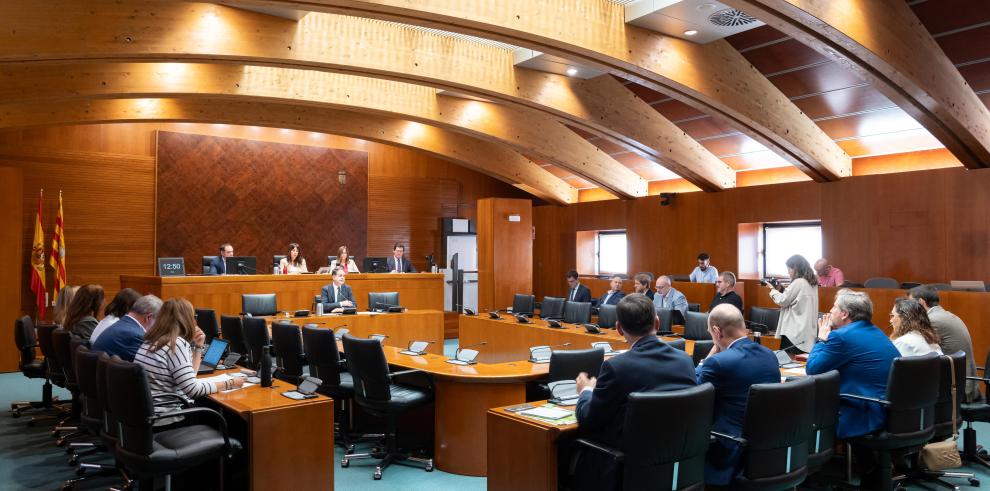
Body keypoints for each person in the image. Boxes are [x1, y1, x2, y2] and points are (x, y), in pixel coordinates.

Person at [574, 294, 696, 490]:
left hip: (625, 468)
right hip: (676, 467)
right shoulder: (685, 360)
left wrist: (586, 391)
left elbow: (588, 421)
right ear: (657, 322)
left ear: (619, 329)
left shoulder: (616, 367)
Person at [696, 304, 780, 486]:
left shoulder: (718, 363)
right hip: (768, 447)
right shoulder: (770, 355)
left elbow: (695, 397)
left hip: (728, 448)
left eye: (711, 333)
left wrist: (706, 360)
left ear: (717, 332)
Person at [806, 289, 900, 439]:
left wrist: (821, 339)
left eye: (834, 306)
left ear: (845, 314)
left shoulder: (841, 336)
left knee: (802, 404)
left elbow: (812, 369)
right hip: (888, 410)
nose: (830, 310)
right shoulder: (876, 331)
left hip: (862, 413)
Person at [134, 298, 244, 425]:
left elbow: (190, 377)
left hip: (150, 416)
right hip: (169, 417)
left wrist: (198, 347)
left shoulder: (151, 340)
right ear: (186, 319)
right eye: (193, 316)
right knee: (230, 418)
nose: (195, 320)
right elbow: (193, 390)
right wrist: (230, 383)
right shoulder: (175, 344)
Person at [909, 285, 980, 401]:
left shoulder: (932, 320)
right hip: (967, 386)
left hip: (957, 391)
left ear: (921, 302)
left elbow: (914, 348)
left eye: (910, 304)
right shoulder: (946, 315)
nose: (908, 309)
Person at [768, 255, 819, 352]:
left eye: (789, 269)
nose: (788, 272)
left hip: (794, 332)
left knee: (789, 364)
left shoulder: (799, 282)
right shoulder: (812, 283)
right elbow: (795, 298)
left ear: (795, 268)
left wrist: (772, 290)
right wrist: (782, 289)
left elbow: (783, 301)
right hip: (806, 332)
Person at [92, 295, 163, 362]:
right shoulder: (136, 335)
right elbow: (147, 365)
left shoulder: (121, 324)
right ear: (149, 317)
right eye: (158, 321)